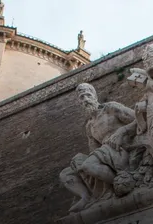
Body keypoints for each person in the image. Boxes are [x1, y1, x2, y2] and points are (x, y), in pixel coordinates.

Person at [59, 83, 138, 212]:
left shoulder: (111, 108)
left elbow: (139, 119)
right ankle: (86, 197)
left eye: (88, 95)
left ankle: (123, 183)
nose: (85, 100)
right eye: (82, 97)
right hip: (105, 154)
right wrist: (79, 165)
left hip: (122, 147)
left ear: (95, 97)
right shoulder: (89, 125)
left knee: (87, 165)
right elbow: (93, 150)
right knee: (68, 172)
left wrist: (122, 131)